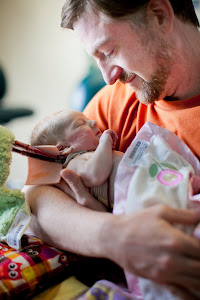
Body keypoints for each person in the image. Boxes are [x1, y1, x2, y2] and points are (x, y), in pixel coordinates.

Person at [23, 0, 200, 297]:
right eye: (96, 58)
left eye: (109, 51)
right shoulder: (112, 104)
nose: (108, 77)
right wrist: (113, 236)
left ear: (160, 14)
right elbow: (36, 194)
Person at [30, 109, 123, 211]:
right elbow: (94, 175)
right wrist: (105, 142)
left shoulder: (91, 153)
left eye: (88, 120)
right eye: (81, 124)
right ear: (63, 148)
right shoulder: (73, 163)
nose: (94, 122)